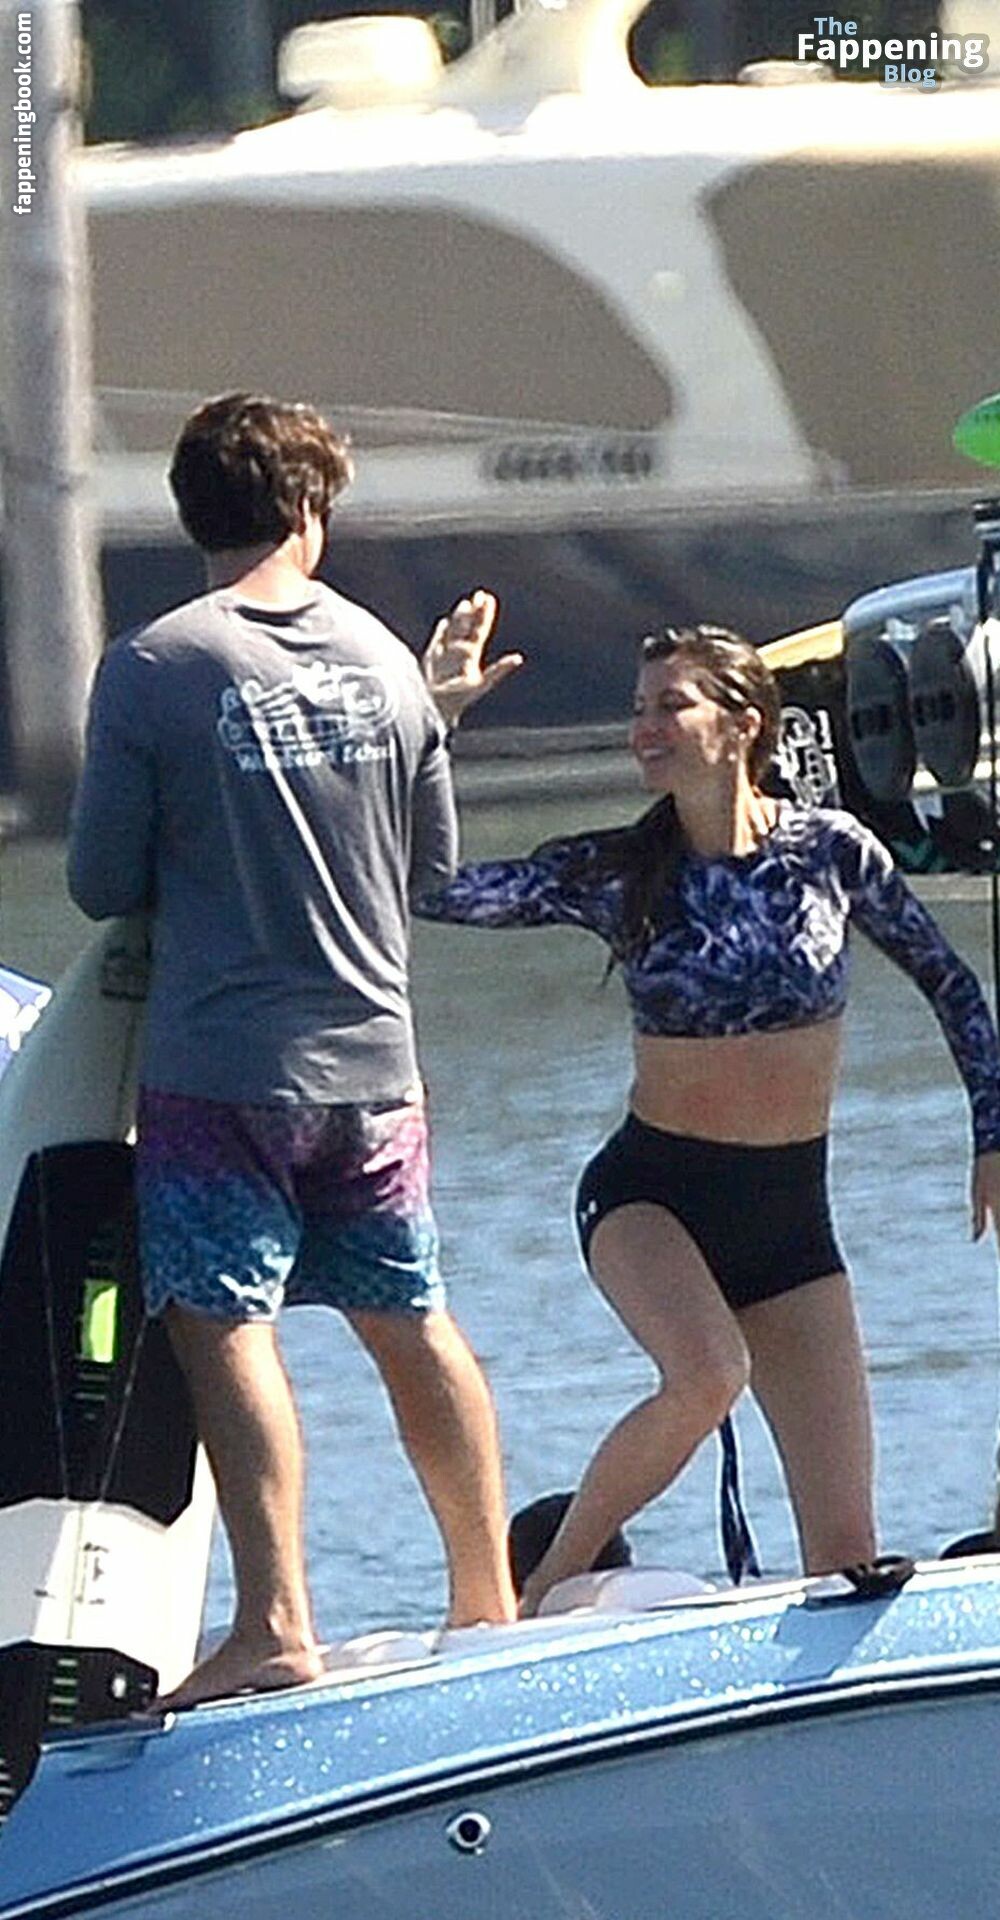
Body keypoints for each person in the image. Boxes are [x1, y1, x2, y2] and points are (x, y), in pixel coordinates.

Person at [67, 394, 523, 1707]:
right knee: (409, 1316)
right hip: (377, 1069)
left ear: (191, 514)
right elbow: (430, 867)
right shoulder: (386, 661)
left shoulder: (155, 664)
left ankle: (274, 1622)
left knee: (225, 1326)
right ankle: (486, 1600)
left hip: (222, 1072)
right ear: (311, 509)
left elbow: (99, 881)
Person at [419, 598, 1000, 1615]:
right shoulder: (617, 872)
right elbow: (431, 890)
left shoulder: (830, 853)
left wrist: (990, 1137)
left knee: (847, 1556)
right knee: (706, 1375)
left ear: (742, 725)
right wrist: (433, 729)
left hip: (789, 1221)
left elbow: (950, 984)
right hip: (651, 1197)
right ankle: (534, 1597)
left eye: (670, 706)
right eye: (638, 709)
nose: (645, 727)